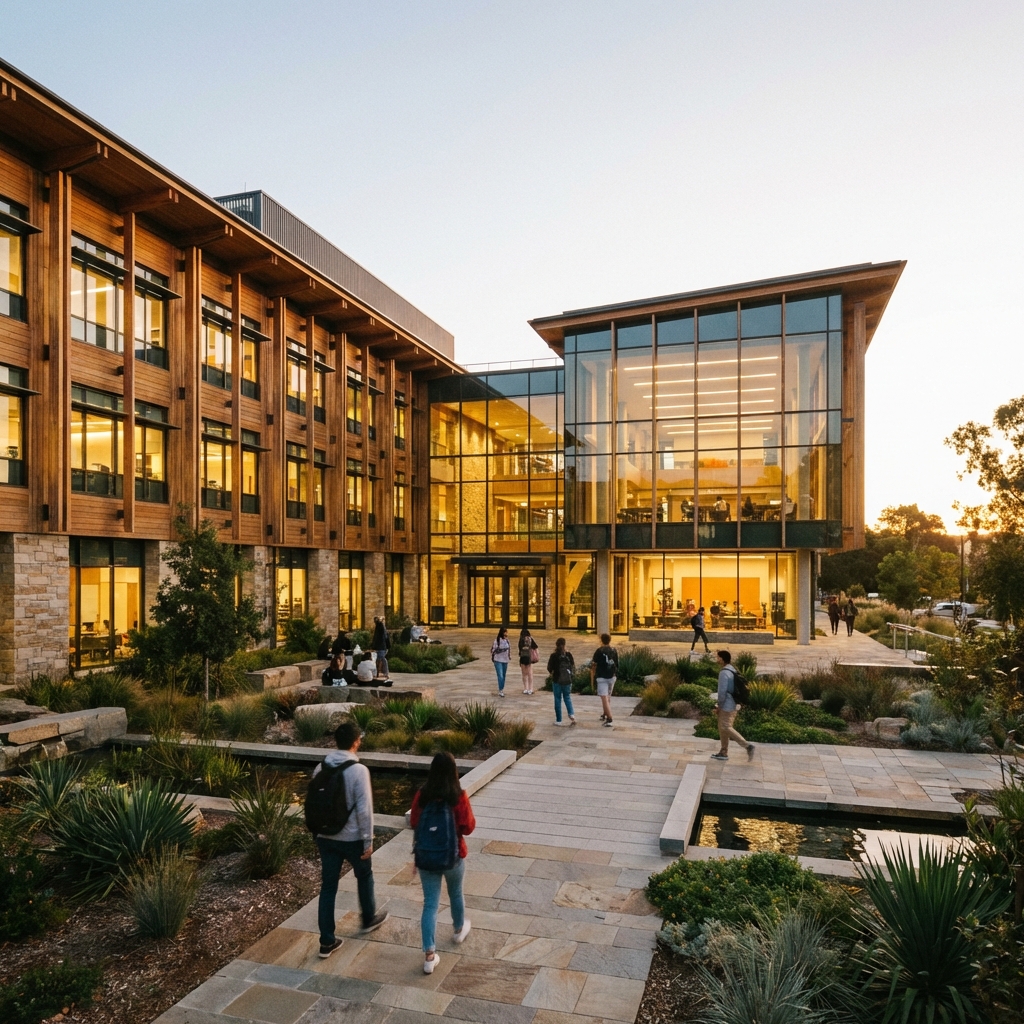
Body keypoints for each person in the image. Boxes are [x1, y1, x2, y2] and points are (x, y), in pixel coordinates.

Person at [311, 720, 388, 957]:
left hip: (326, 836)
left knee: (328, 887)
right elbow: (365, 810)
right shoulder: (359, 771)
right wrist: (368, 841)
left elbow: (313, 805)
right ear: (356, 742)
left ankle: (326, 941)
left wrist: (316, 832)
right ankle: (368, 918)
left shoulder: (319, 768)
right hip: (353, 838)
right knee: (364, 875)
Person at [409, 751, 476, 974]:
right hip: (453, 855)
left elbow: (415, 822)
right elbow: (469, 826)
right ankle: (458, 929)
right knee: (456, 892)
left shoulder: (422, 794)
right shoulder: (459, 796)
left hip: (427, 858)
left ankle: (429, 955)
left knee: (430, 904)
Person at [710, 650, 754, 762]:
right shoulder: (732, 669)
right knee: (722, 728)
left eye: (718, 657)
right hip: (733, 703)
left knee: (725, 727)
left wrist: (718, 706)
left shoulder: (724, 673)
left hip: (727, 704)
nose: (717, 659)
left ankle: (747, 746)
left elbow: (722, 692)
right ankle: (723, 752)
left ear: (722, 659)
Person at [590, 633, 618, 728]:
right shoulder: (614, 650)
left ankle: (609, 718)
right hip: (612, 676)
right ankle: (605, 714)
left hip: (602, 677)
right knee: (608, 697)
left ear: (601, 640)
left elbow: (594, 664)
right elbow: (617, 664)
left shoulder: (599, 651)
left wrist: (592, 676)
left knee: (604, 698)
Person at [547, 637, 576, 726]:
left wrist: (552, 673)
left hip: (557, 679)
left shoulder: (554, 656)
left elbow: (549, 668)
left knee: (557, 699)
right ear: (564, 644)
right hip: (567, 680)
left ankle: (559, 720)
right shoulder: (568, 655)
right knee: (567, 697)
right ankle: (571, 714)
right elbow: (573, 666)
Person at [518, 627, 538, 695]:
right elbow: (535, 647)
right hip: (529, 658)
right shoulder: (530, 639)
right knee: (530, 673)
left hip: (523, 657)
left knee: (524, 674)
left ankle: (525, 688)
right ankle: (531, 688)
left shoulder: (521, 639)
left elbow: (519, 649)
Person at [490, 626, 510, 696]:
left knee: (504, 675)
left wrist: (509, 656)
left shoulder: (507, 641)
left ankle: (502, 688)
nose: (506, 634)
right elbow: (492, 650)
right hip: (498, 660)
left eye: (506, 632)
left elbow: (508, 650)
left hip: (505, 660)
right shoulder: (497, 641)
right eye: (505, 632)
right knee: (500, 675)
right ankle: (500, 690)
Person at [371, 616, 391, 680]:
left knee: (381, 659)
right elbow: (385, 637)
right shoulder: (381, 627)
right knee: (381, 659)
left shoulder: (380, 627)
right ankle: (382, 672)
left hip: (380, 647)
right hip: (381, 647)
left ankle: (383, 672)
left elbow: (381, 637)